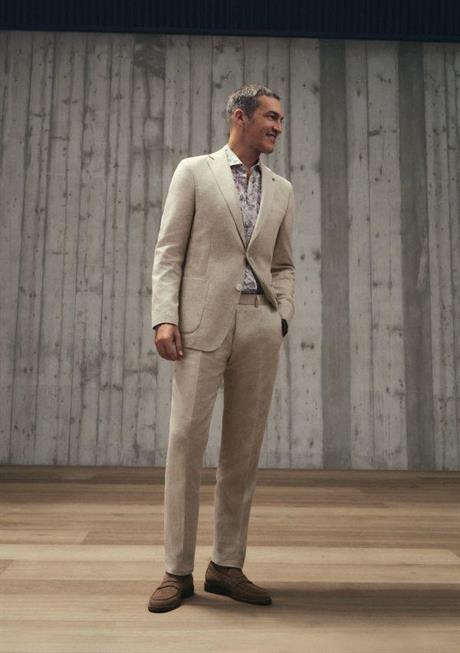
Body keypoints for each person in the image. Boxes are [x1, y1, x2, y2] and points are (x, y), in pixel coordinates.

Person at [147, 84, 295, 613]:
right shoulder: (194, 172)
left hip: (260, 325)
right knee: (185, 442)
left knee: (243, 450)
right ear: (240, 116)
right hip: (199, 326)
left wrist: (282, 315)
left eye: (281, 120)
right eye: (270, 117)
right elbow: (169, 251)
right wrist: (165, 316)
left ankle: (226, 566)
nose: (277, 127)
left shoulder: (282, 189)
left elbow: (284, 263)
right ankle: (176, 570)